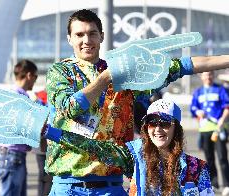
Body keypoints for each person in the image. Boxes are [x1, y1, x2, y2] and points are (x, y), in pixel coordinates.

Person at [46, 9, 229, 195]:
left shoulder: (124, 73)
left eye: (92, 33)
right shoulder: (60, 72)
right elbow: (71, 108)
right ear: (69, 38)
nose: (86, 40)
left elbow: (180, 66)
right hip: (68, 186)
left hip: (111, 186)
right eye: (79, 34)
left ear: (101, 36)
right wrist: (105, 78)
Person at [44, 98, 214, 195]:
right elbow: (93, 147)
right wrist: (50, 132)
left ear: (176, 128)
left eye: (165, 123)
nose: (158, 129)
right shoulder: (134, 157)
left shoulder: (197, 168)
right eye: (152, 123)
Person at [0, 59, 38, 196]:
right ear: (29, 75)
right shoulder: (20, 97)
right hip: (12, 155)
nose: (35, 81)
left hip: (9, 154)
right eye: (35, 77)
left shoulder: (9, 94)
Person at [191, 71, 229, 195]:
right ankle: (214, 183)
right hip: (204, 130)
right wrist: (198, 113)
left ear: (213, 76)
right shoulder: (198, 92)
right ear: (201, 77)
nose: (208, 77)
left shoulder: (221, 90)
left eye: (210, 74)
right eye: (205, 75)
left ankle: (227, 184)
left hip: (218, 129)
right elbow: (193, 108)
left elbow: (227, 107)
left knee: (222, 157)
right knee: (209, 158)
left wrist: (222, 121)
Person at [34, 90, 53, 196]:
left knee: (43, 175)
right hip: (46, 143)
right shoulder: (43, 97)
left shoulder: (40, 97)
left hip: (42, 144)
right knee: (47, 176)